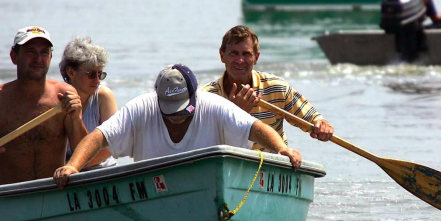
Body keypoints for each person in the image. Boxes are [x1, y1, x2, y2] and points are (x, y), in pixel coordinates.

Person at [53, 64, 302, 188]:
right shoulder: (141, 107)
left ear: (194, 96)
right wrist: (72, 166)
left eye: (181, 109)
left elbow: (255, 128)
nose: (175, 116)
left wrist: (283, 150)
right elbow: (98, 136)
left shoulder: (214, 105)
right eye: (169, 110)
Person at [0, 26, 87, 185]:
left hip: (55, 193)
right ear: (14, 56)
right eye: (30, 51)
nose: (38, 58)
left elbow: (85, 154)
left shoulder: (63, 96)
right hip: (12, 196)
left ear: (50, 57)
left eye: (44, 52)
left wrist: (76, 119)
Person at [202, 26, 334, 151]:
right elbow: (201, 142)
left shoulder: (277, 88)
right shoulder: (205, 97)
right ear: (222, 56)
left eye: (246, 54)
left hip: (272, 166)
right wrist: (234, 113)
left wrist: (322, 125)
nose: (240, 60)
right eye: (233, 53)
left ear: (256, 58)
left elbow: (313, 119)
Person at [59, 36, 117, 170]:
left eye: (100, 74)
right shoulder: (57, 99)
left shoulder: (103, 97)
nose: (97, 81)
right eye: (91, 74)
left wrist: (74, 166)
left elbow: (110, 147)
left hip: (101, 171)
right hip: (68, 175)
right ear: (71, 72)